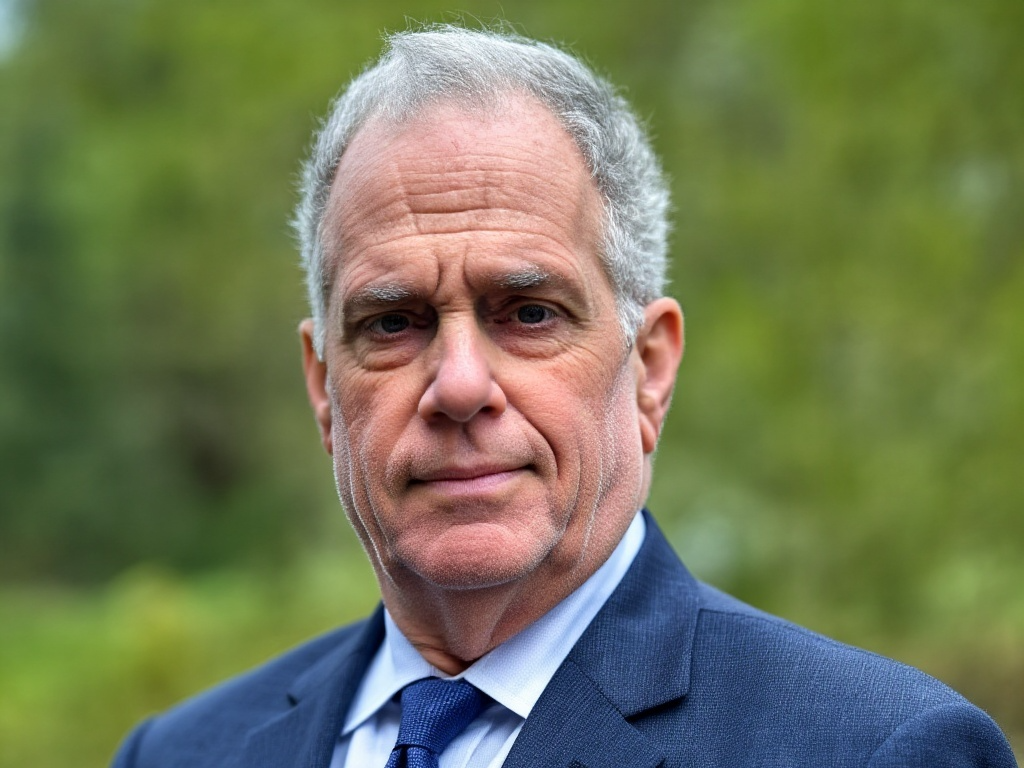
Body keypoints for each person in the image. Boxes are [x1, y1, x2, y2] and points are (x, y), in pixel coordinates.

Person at [111, 26, 1017, 768]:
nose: (460, 385)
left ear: (649, 368)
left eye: (529, 312)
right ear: (322, 387)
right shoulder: (182, 753)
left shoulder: (870, 751)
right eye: (394, 324)